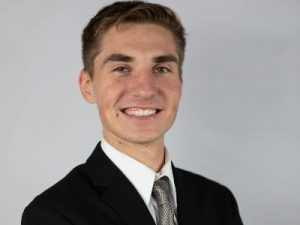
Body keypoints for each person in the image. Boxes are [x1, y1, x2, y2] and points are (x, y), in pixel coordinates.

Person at [22, 1, 243, 225]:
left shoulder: (218, 201)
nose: (145, 89)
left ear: (180, 83)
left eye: (161, 69)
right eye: (121, 69)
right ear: (87, 85)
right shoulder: (53, 214)